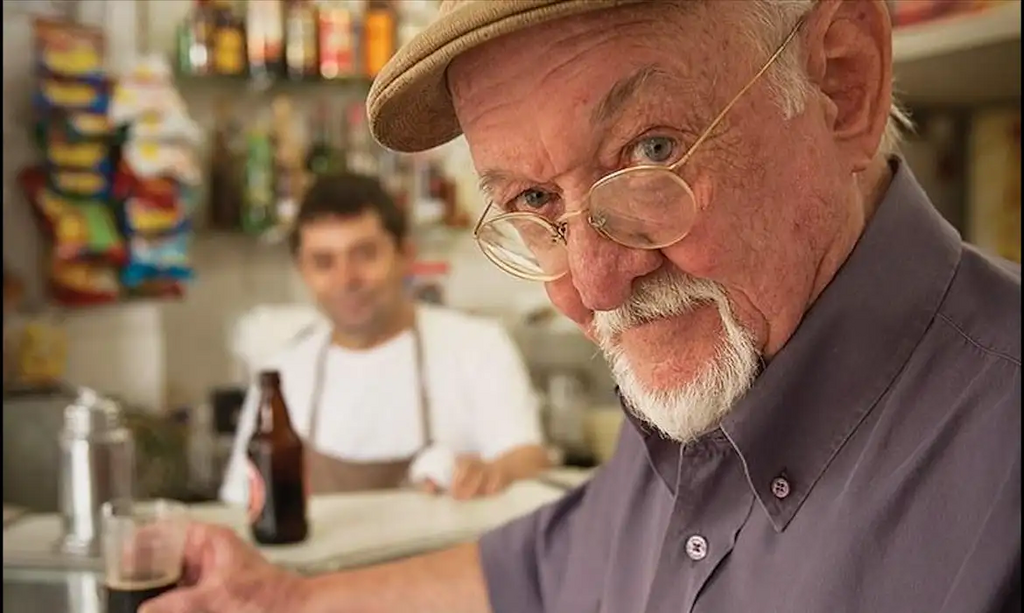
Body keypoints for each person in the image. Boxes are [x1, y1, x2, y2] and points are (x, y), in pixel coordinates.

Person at [143, 1, 1021, 612]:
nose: (592, 287)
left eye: (650, 150)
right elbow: (536, 568)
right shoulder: (707, 397)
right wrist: (286, 598)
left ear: (842, 79)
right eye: (531, 202)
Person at [219, 172, 549, 503]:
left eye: (364, 254)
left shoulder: (477, 347)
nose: (346, 279)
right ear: (302, 270)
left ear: (405, 254)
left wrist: (494, 473)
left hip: (447, 554)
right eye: (323, 262)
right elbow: (241, 500)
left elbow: (528, 460)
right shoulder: (283, 373)